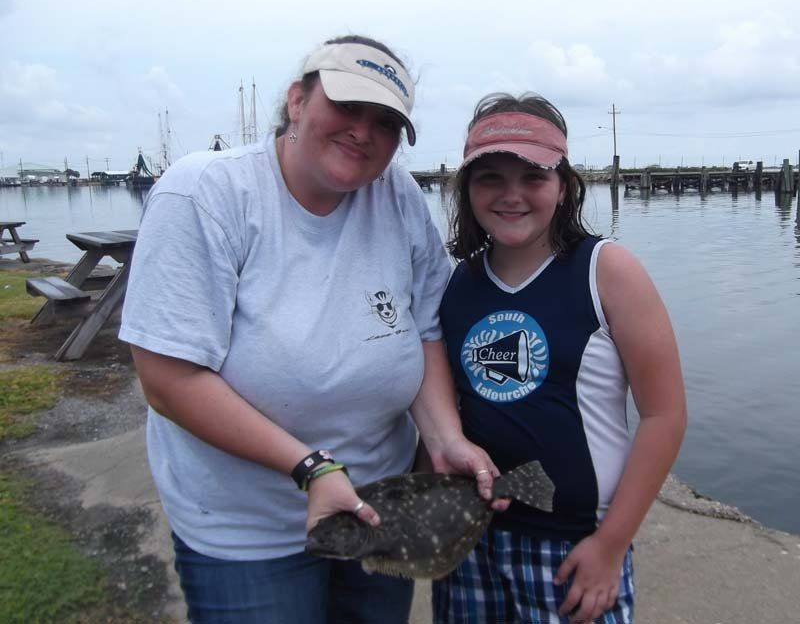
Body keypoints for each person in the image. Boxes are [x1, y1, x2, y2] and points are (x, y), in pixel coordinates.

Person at [119, 35, 502, 624]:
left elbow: (424, 331)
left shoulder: (397, 195)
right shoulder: (205, 194)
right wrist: (313, 469)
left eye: (386, 122)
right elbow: (168, 379)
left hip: (380, 508)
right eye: (347, 107)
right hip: (247, 532)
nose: (363, 131)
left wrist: (445, 437)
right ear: (296, 101)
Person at [432, 93, 687, 623]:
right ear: (466, 190)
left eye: (533, 177)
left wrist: (612, 544)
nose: (511, 195)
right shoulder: (460, 281)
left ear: (564, 186)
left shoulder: (607, 270)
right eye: (490, 178)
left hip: (574, 547)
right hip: (470, 539)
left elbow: (665, 416)